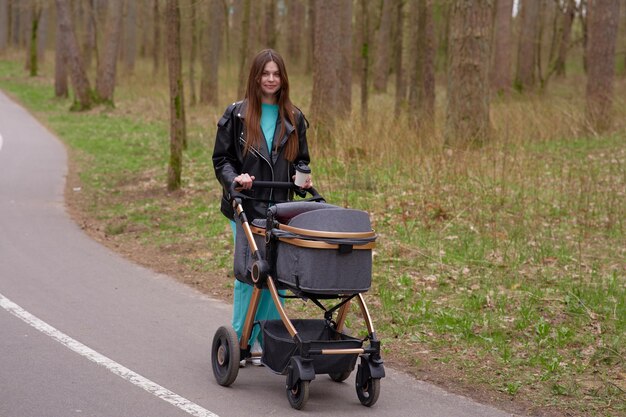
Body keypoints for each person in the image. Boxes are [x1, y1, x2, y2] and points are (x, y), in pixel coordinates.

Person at [212, 49, 312, 366]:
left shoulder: (294, 119)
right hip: (246, 206)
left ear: (283, 78)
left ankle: (268, 340)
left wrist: (303, 178)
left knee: (278, 279)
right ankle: (242, 341)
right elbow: (221, 159)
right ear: (255, 78)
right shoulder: (237, 115)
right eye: (264, 74)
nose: (270, 79)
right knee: (251, 275)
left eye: (276, 74)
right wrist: (234, 179)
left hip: (281, 211)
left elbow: (302, 160)